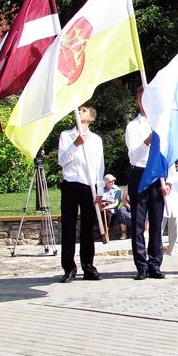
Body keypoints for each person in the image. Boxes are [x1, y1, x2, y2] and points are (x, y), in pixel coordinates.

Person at [57, 105, 104, 283]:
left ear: (91, 118)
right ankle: (69, 268)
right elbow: (62, 161)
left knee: (87, 227)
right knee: (68, 227)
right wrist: (75, 145)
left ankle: (88, 266)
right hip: (70, 184)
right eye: (79, 110)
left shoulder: (96, 140)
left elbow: (99, 166)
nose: (80, 112)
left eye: (84, 110)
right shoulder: (66, 135)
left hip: (88, 186)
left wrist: (100, 190)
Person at [126, 86, 168, 280]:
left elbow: (167, 153)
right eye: (141, 98)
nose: (145, 102)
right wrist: (147, 141)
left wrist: (168, 179)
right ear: (137, 101)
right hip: (140, 172)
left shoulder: (160, 123)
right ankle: (141, 265)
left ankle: (155, 263)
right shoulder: (133, 127)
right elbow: (134, 156)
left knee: (157, 221)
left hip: (157, 174)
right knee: (138, 221)